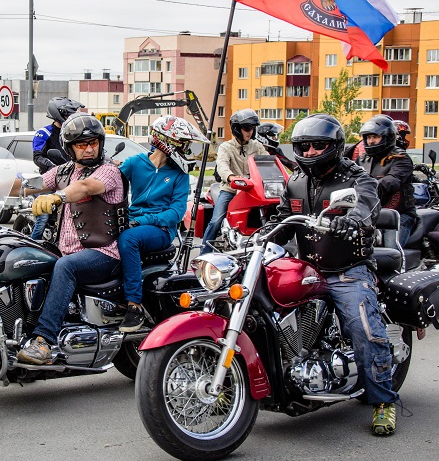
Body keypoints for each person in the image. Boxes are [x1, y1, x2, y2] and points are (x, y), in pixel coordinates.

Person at [275, 113, 400, 436]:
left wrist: (353, 219)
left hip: (348, 270)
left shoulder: (358, 179)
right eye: (306, 145)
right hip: (308, 269)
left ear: (335, 146)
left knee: (362, 328)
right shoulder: (295, 181)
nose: (312, 151)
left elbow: (368, 207)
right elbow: (282, 218)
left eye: (319, 145)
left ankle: (383, 401)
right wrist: (258, 235)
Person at [17, 113, 126, 364]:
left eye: (93, 143)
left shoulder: (108, 171)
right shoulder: (63, 171)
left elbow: (86, 188)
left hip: (103, 253)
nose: (88, 149)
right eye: (81, 144)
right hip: (64, 249)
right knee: (24, 254)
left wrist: (57, 197)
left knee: (65, 267)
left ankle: (43, 340)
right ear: (70, 148)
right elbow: (29, 184)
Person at [117, 116, 209, 332]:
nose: (186, 150)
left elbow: (176, 213)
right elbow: (111, 180)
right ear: (167, 141)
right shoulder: (135, 163)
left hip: (161, 230)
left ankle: (134, 305)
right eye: (183, 144)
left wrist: (141, 220)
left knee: (128, 239)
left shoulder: (180, 174)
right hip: (133, 222)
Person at [200, 109, 268, 254]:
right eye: (246, 128)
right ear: (237, 129)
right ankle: (203, 255)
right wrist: (232, 178)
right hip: (230, 190)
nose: (250, 132)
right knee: (216, 221)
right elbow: (222, 166)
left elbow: (267, 162)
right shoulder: (226, 147)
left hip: (253, 190)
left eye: (252, 128)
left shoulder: (257, 146)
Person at [356, 115, 417, 247]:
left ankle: (399, 267)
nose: (371, 141)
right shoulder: (363, 160)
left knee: (391, 249)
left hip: (398, 216)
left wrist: (366, 188)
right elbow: (347, 176)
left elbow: (392, 181)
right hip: (368, 215)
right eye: (368, 137)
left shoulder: (400, 158)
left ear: (387, 137)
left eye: (375, 137)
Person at [30, 97, 85, 240]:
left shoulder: (73, 133)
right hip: (49, 181)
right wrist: (54, 167)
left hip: (70, 178)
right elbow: (38, 157)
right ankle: (31, 243)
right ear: (57, 114)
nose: (70, 117)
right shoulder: (44, 133)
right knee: (43, 216)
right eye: (67, 114)